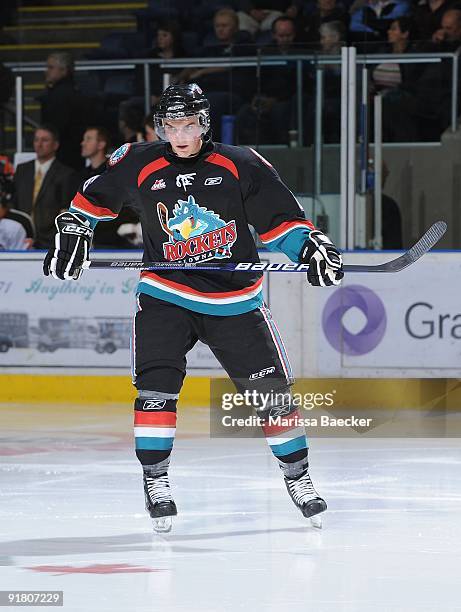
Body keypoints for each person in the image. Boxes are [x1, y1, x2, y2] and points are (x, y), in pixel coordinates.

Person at [42, 84, 343, 533]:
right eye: (171, 126)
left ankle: (298, 478)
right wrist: (74, 226)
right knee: (155, 392)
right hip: (166, 293)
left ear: (204, 123)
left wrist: (309, 245)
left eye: (189, 125)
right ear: (161, 127)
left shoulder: (240, 163)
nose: (180, 136)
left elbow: (283, 221)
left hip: (234, 299)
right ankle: (156, 479)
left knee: (272, 397)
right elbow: (91, 202)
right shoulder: (139, 161)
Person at [12, 125, 74, 248]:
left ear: (55, 145)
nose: (39, 144)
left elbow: (65, 212)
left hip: (49, 243)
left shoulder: (66, 174)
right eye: (36, 140)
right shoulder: (22, 169)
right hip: (20, 240)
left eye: (45, 140)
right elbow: (15, 204)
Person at [38, 52, 88, 169]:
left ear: (64, 70)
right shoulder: (74, 91)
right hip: (72, 154)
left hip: (63, 156)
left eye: (51, 67)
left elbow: (56, 126)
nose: (46, 71)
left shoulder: (59, 96)